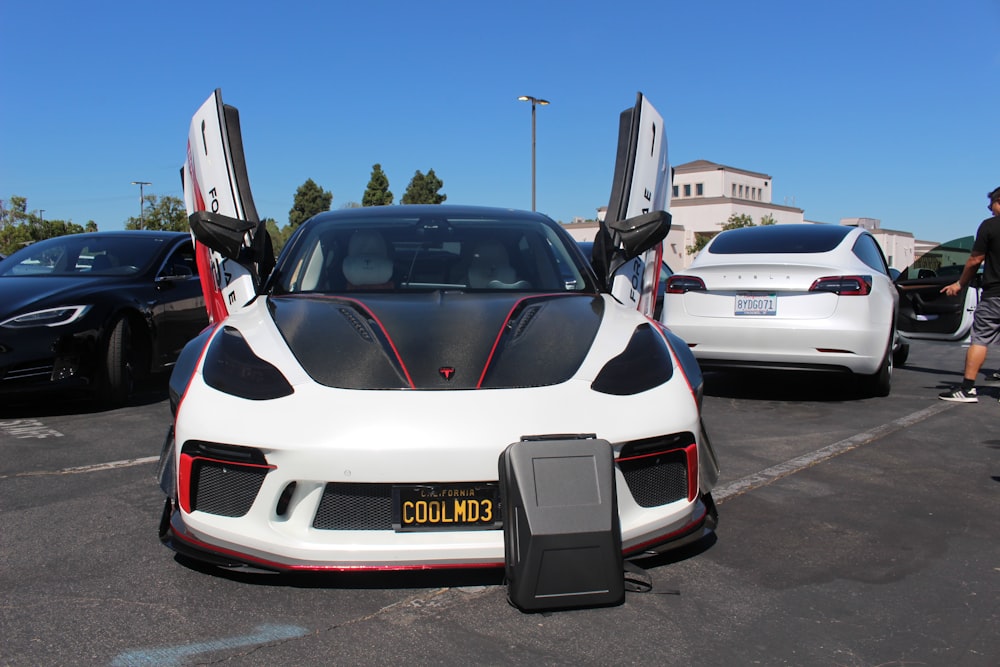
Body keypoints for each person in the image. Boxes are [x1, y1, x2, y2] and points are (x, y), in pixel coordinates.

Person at [938, 186, 1000, 402]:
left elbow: (975, 260)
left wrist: (960, 283)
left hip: (995, 294)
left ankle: (967, 389)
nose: (990, 210)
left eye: (991, 205)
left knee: (980, 340)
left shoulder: (990, 226)